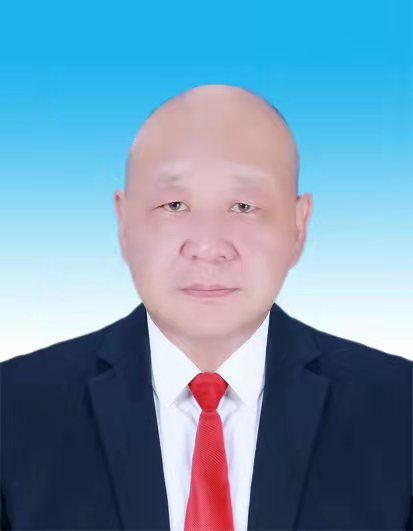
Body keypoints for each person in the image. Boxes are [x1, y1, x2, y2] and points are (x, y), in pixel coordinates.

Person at [1, 84, 411, 530]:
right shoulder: (14, 409)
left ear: (299, 225)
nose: (208, 245)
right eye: (175, 204)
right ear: (124, 222)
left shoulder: (399, 410)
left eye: (243, 206)